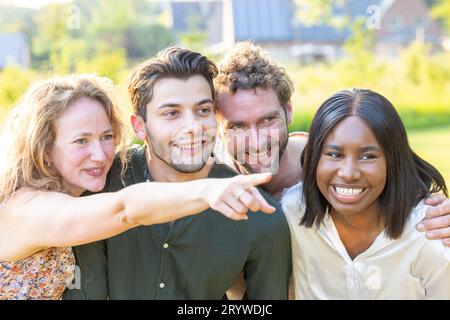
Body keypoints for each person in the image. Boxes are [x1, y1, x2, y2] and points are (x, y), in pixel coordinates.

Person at [0, 74, 278, 300]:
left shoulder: (77, 195)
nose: (100, 154)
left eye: (106, 136)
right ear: (45, 149)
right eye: (81, 141)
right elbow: (125, 209)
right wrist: (207, 190)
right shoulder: (25, 210)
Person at [63, 48, 291, 300]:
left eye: (203, 110)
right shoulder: (98, 189)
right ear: (140, 126)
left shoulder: (262, 215)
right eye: (171, 113)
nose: (193, 128)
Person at [214, 41, 450, 245]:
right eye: (238, 127)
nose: (256, 142)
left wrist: (440, 215)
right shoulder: (211, 183)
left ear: (288, 111)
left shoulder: (336, 165)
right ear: (217, 127)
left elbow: (415, 198)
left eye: (267, 120)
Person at [281, 88, 449, 299]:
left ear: (392, 161)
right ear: (315, 157)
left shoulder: (430, 237)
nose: (348, 173)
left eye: (368, 156)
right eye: (334, 154)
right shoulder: (293, 211)